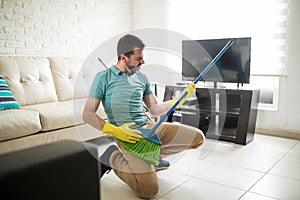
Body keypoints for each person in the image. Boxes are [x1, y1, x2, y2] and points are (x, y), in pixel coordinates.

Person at [82, 34, 205, 199]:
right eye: (138, 58)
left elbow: (154, 109)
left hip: (149, 130)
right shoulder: (103, 78)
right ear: (123, 58)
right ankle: (112, 157)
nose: (143, 62)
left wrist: (180, 99)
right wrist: (116, 131)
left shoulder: (142, 77)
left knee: (198, 138)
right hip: (129, 138)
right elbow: (87, 114)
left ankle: (152, 157)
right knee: (148, 191)